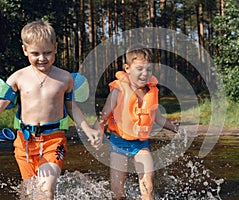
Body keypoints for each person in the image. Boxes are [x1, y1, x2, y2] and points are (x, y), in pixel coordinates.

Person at [0, 20, 101, 199]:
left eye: (47, 52)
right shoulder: (18, 78)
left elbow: (71, 107)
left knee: (46, 192)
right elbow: (2, 104)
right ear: (25, 50)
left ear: (55, 47)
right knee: (29, 193)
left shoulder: (65, 78)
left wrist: (87, 129)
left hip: (53, 141)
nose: (42, 58)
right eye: (35, 53)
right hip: (24, 142)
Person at [95, 44, 178, 200]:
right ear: (127, 68)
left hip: (141, 145)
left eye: (148, 69)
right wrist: (97, 132)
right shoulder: (118, 89)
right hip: (118, 143)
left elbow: (158, 118)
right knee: (118, 192)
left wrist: (176, 129)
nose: (144, 74)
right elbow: (104, 114)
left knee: (148, 186)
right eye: (139, 69)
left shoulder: (151, 92)